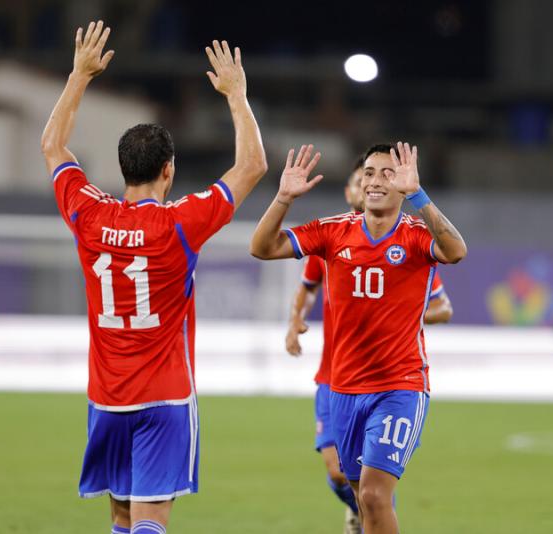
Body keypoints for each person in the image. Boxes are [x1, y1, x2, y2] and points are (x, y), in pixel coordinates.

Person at [40, 21, 267, 534]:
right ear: (168, 170)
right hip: (165, 396)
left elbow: (53, 146)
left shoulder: (88, 214)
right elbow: (252, 165)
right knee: (150, 520)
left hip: (107, 396)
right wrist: (236, 94)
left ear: (124, 168)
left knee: (122, 518)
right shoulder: (180, 224)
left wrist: (79, 75)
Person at [252, 142, 466, 534]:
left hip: (400, 386)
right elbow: (262, 247)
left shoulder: (416, 237)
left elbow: (455, 251)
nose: (375, 181)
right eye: (369, 173)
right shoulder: (332, 232)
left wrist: (418, 194)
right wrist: (283, 198)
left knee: (374, 494)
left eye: (388, 174)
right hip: (345, 388)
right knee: (360, 497)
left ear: (402, 184)